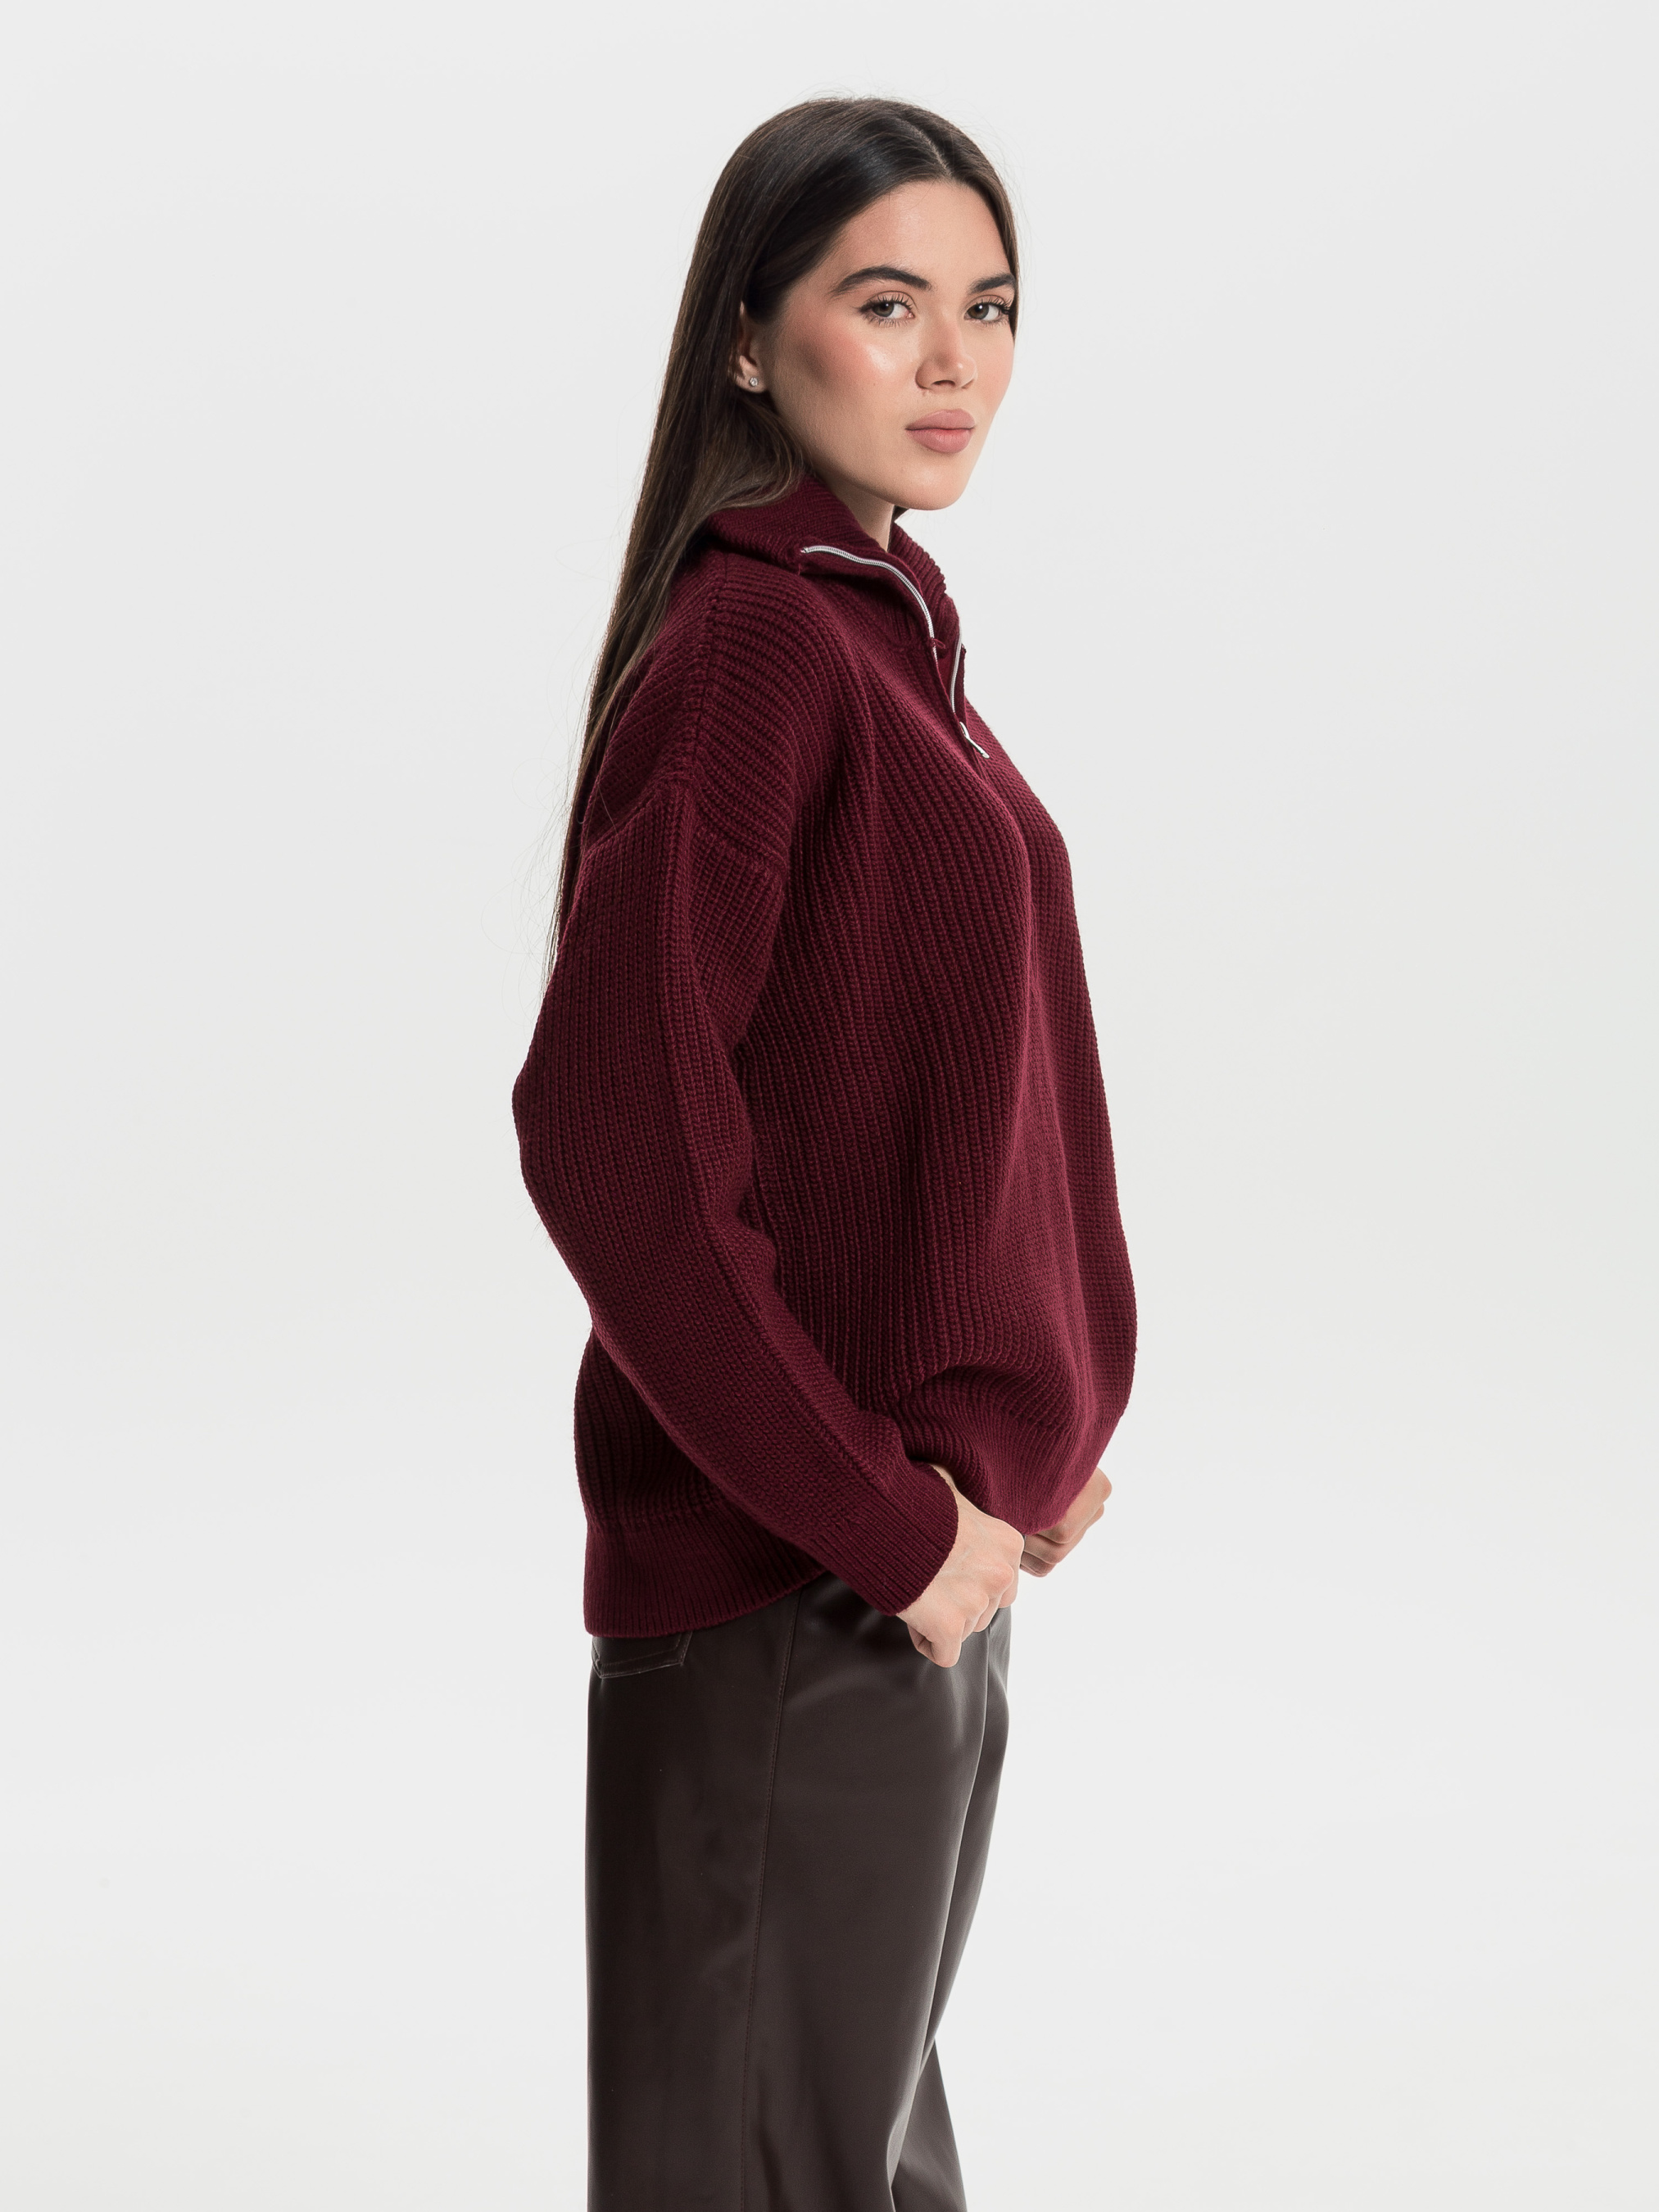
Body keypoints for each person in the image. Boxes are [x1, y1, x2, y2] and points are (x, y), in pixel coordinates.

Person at [512, 94, 1136, 2211]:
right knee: (772, 2177)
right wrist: (884, 1516)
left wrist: (1021, 1439)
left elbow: (925, 1101)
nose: (954, 360)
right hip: (805, 1578)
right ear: (749, 340)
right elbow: (612, 1139)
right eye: (887, 304)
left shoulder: (884, 629)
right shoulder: (759, 645)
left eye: (991, 306)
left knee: (848, 2167)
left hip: (904, 1575)